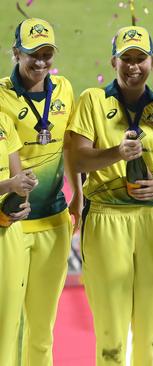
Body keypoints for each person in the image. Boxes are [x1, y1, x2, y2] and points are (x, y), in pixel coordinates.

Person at [65, 25, 153, 365]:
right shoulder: (92, 101)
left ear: (152, 62)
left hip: (152, 221)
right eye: (126, 59)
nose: (134, 67)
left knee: (151, 330)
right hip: (106, 218)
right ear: (113, 61)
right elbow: (77, 158)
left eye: (141, 59)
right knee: (111, 334)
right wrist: (117, 153)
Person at [0, 18, 82, 366]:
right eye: (32, 54)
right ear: (16, 52)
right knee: (6, 325)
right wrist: (16, 191)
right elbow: (10, 157)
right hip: (12, 224)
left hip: (54, 220)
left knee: (42, 331)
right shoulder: (1, 96)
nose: (40, 62)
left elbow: (71, 150)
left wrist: (78, 195)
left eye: (46, 54)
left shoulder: (64, 90)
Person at [0, 111, 36, 366]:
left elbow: (18, 178)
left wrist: (23, 200)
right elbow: (11, 182)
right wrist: (8, 186)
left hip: (7, 230)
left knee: (9, 321)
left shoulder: (3, 121)